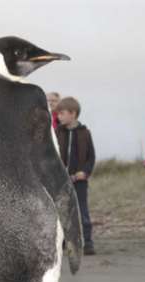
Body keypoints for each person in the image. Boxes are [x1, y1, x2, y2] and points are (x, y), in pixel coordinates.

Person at [54, 97, 96, 255]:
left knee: (82, 211)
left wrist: (84, 172)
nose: (59, 117)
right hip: (60, 181)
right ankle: (63, 242)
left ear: (73, 114)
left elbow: (91, 157)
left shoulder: (85, 133)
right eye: (58, 114)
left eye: (62, 113)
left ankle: (88, 242)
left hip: (79, 182)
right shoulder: (57, 132)